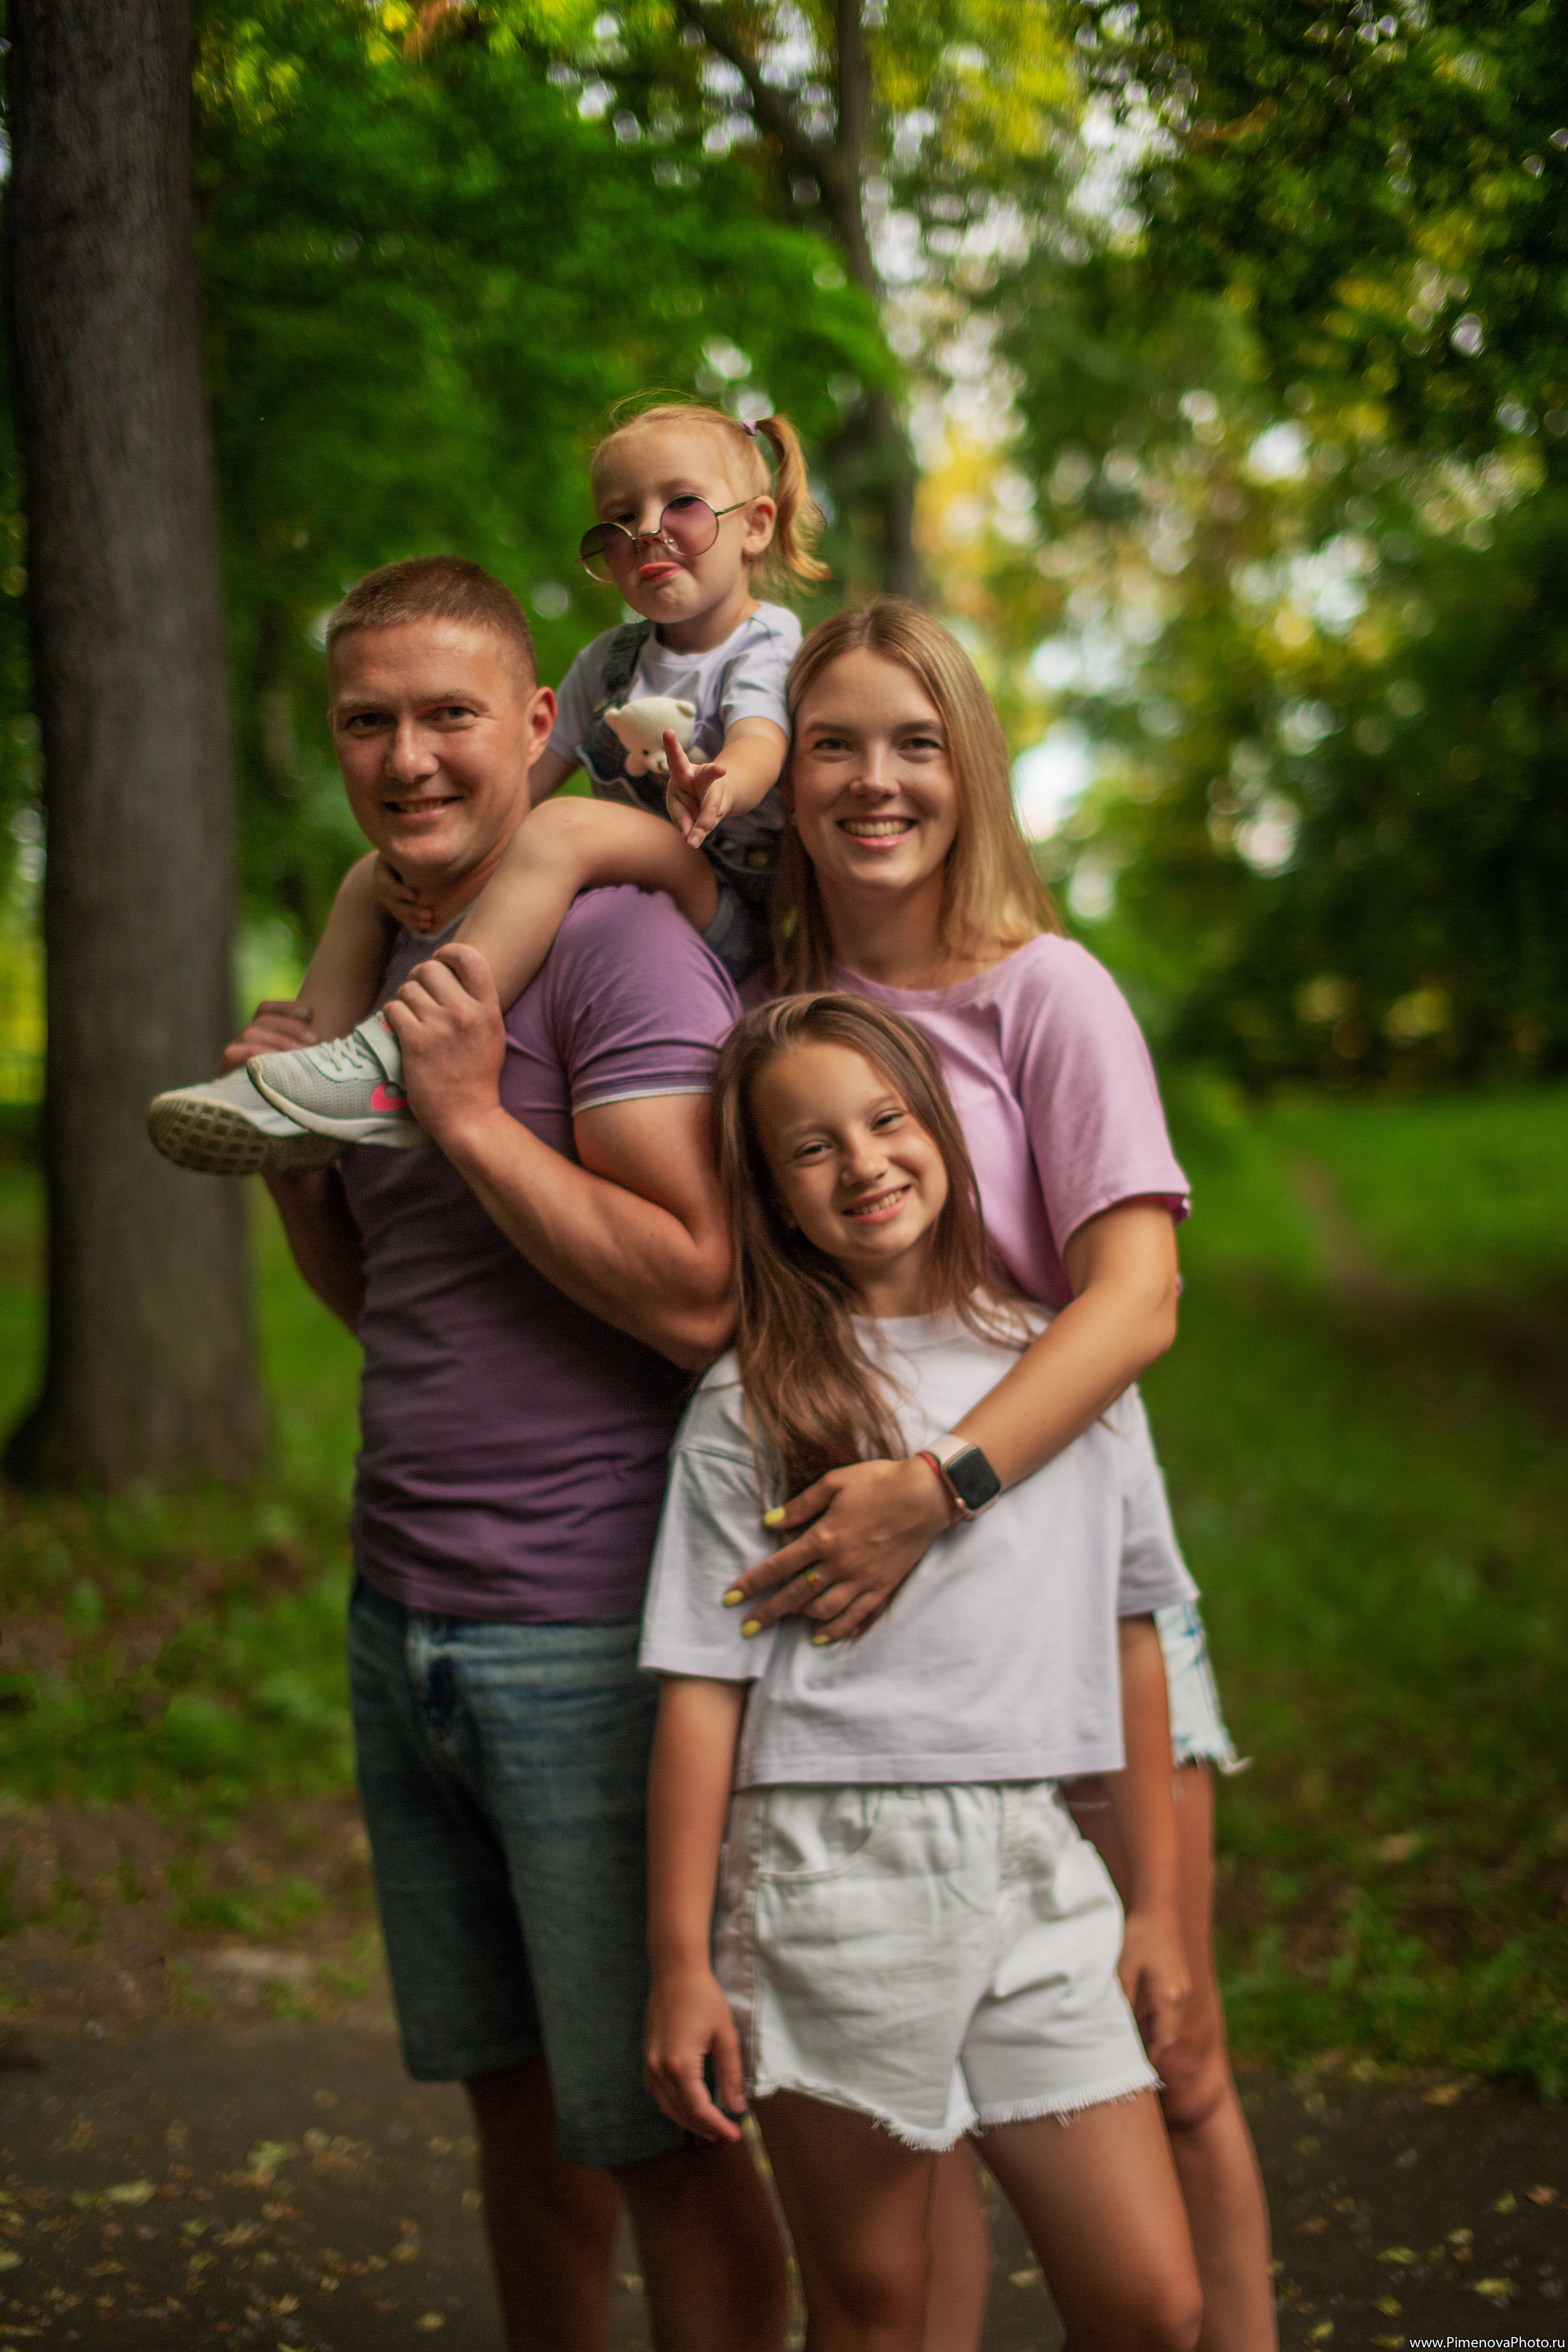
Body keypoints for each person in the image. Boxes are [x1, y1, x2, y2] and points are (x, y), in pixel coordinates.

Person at [208, 556, 788, 2352]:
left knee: (668, 2124)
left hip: (595, 1639)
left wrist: (459, 1112)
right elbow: (378, 1299)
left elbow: (698, 1295)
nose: (408, 756)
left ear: (536, 725)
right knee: (514, 2106)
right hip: (406, 1624)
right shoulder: (375, 958)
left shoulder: (613, 950)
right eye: (368, 720)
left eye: (449, 712)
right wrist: (312, 1156)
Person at [717, 601, 1276, 2352]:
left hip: (1067, 1566)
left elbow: (1138, 1300)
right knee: (913, 2129)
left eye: (916, 741)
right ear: (785, 777)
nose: (877, 782)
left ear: (971, 766)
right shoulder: (776, 1002)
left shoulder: (1047, 990)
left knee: (1169, 2049)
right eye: (835, 744)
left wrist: (939, 1486)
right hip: (886, 1650)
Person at [640, 991, 1204, 2352]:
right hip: (835, 1881)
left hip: (1040, 1869)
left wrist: (1159, 1912)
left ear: (943, 1129)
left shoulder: (1068, 1374)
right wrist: (678, 1964)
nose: (863, 1163)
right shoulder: (753, 1397)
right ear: (772, 1198)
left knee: (1149, 2301)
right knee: (878, 2303)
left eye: (885, 1121)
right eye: (809, 1149)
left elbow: (1135, 1640)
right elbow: (700, 1689)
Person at [148, 400, 823, 1175]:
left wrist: (722, 783)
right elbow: (520, 787)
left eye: (682, 506)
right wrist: (417, 867)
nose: (647, 532)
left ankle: (396, 1059)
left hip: (734, 901)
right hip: (662, 865)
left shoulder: (763, 640)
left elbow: (761, 739)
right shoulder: (609, 661)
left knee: (568, 828)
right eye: (618, 520)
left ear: (756, 526)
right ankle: (298, 1087)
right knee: (372, 873)